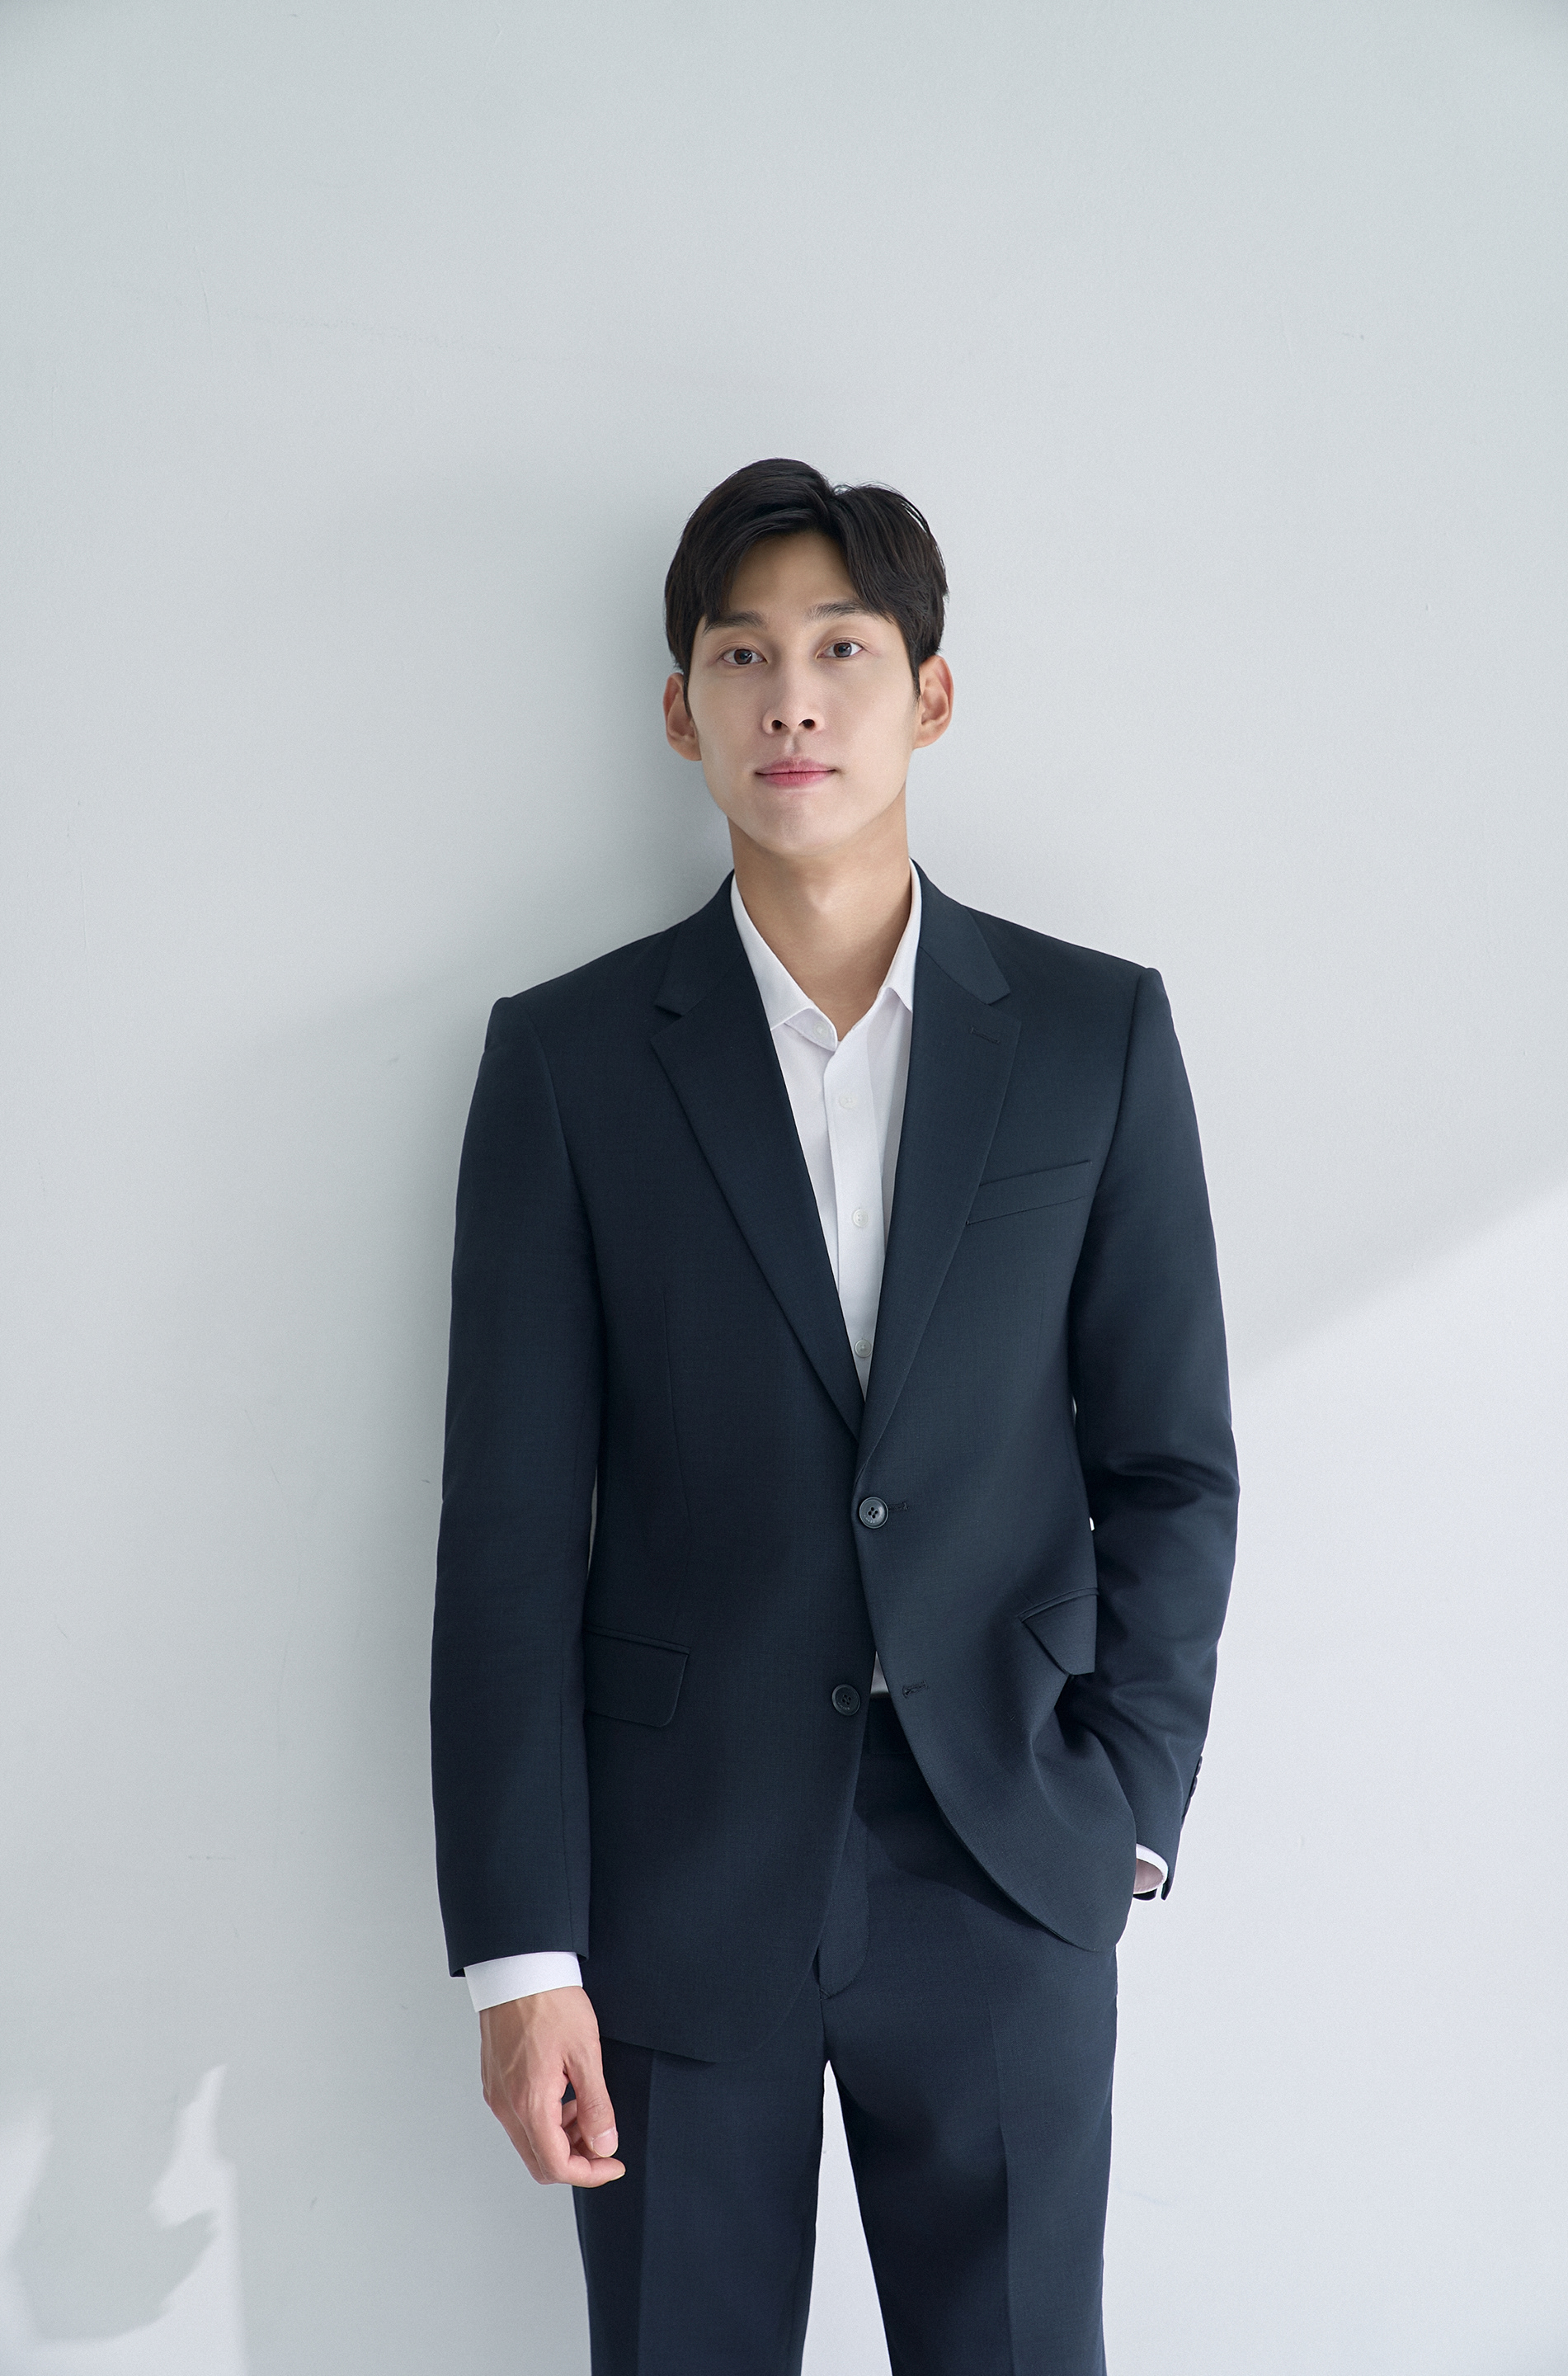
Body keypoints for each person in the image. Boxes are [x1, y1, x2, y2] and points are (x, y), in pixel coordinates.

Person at [430, 458, 1238, 2375]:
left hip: (1007, 1857)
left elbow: (1172, 1461)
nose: (791, 699)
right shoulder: (566, 1064)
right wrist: (523, 1956)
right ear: (681, 711)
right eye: (743, 656)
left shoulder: (1095, 1037)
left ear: (928, 695)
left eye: (843, 651)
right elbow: (512, 1536)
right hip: (677, 1880)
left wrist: (1125, 1809)